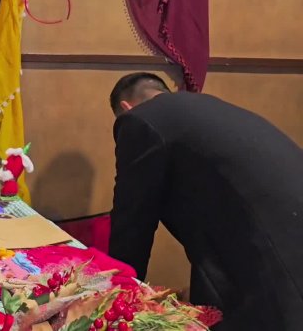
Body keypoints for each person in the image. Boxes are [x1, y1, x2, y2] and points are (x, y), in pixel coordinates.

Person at [107, 72, 303, 330]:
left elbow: (131, 222)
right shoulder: (207, 108)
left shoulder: (140, 120)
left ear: (126, 108)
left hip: (271, 260)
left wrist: (118, 297)